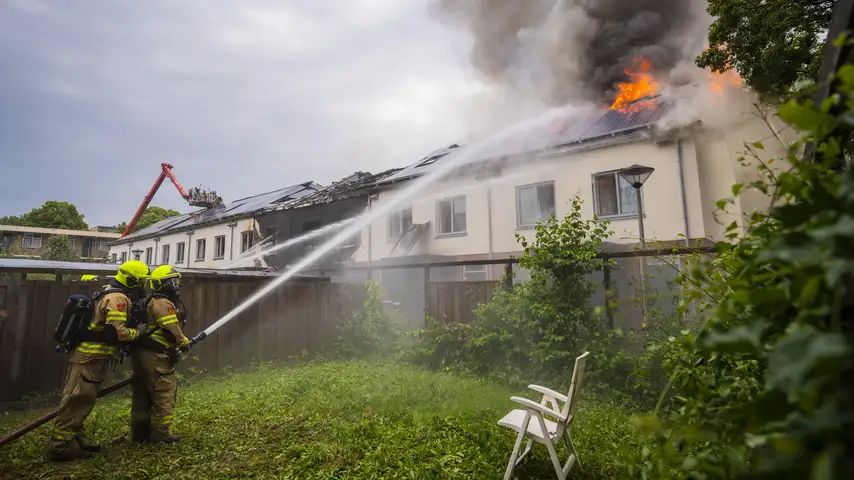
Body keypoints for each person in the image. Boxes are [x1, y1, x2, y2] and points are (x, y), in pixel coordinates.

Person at [48, 260, 149, 461]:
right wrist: (138, 332)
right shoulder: (118, 298)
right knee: (78, 399)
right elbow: (118, 332)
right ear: (131, 280)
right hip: (91, 357)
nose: (142, 286)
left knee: (79, 398)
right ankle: (61, 447)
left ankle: (76, 439)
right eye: (140, 281)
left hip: (87, 356)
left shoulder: (107, 291)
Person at [130, 264, 190, 443]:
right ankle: (161, 435)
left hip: (141, 354)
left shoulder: (149, 301)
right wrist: (183, 342)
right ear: (163, 284)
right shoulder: (163, 303)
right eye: (173, 281)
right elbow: (172, 329)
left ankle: (140, 434)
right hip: (156, 356)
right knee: (164, 392)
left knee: (142, 395)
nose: (176, 285)